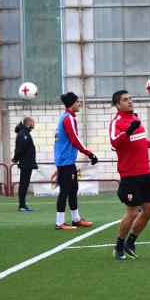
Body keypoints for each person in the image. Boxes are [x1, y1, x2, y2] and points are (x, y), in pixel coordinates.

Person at [109, 90, 150, 260]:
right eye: (125, 100)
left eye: (130, 98)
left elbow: (140, 141)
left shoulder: (135, 119)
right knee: (132, 212)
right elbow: (115, 143)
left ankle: (130, 242)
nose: (129, 101)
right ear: (117, 105)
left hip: (146, 172)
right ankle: (118, 246)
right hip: (130, 174)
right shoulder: (117, 122)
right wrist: (127, 132)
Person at [54, 92, 98, 230]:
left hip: (67, 161)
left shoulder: (66, 117)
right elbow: (75, 140)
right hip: (65, 161)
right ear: (71, 104)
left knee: (73, 189)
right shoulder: (68, 119)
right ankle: (59, 222)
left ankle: (76, 219)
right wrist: (89, 153)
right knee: (65, 191)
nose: (79, 104)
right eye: (78, 102)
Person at [12, 116, 37, 212]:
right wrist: (15, 158)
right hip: (26, 163)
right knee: (24, 184)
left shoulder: (24, 133)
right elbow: (20, 149)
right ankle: (22, 205)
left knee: (24, 184)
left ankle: (23, 204)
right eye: (33, 122)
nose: (33, 124)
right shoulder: (24, 134)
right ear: (28, 122)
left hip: (27, 162)